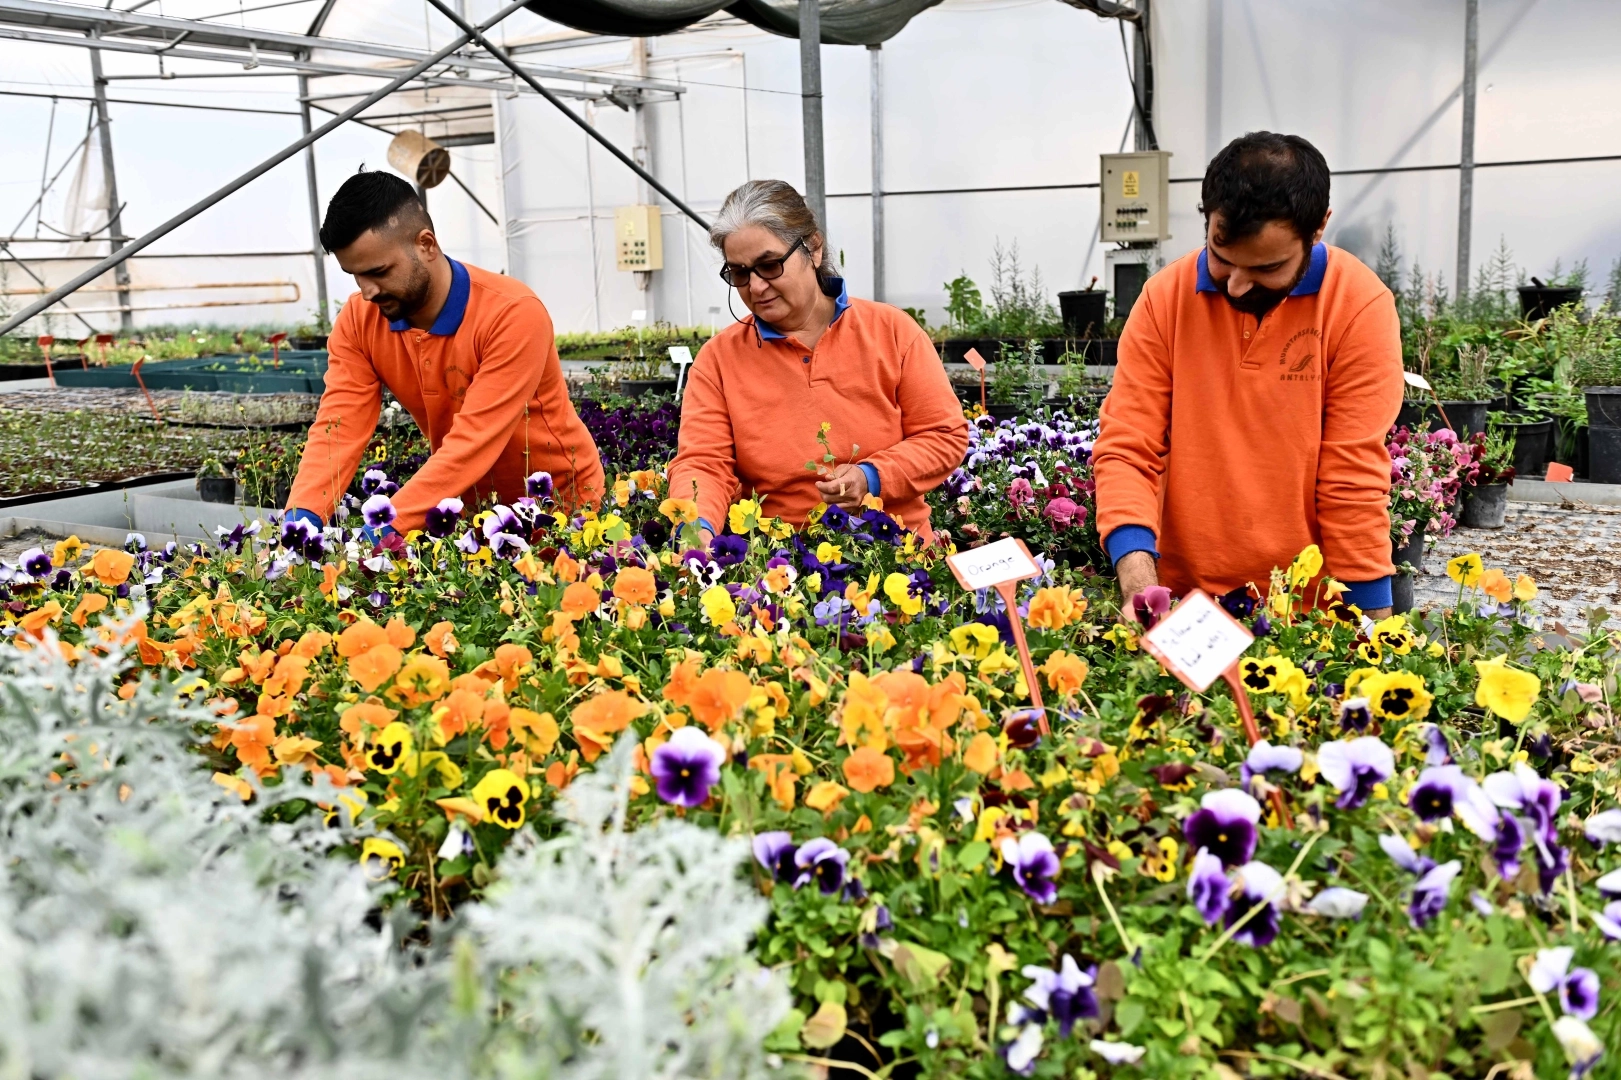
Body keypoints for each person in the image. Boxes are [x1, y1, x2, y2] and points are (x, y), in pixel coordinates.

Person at [1092, 132, 1402, 620]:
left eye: (1267, 268)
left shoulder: (1357, 306)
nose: (1236, 285)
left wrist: (1373, 628)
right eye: (1221, 257)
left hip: (1304, 610)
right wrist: (1139, 586)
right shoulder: (1165, 299)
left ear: (1318, 228)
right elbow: (1129, 447)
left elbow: (1353, 477)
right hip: (1181, 602)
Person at [285, 171, 603, 536]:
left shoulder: (513, 314)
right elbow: (338, 425)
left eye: (379, 272)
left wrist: (385, 528)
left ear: (426, 244)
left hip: (557, 508)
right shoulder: (360, 320)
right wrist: (301, 518)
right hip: (464, 512)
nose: (367, 291)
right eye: (355, 275)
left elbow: (474, 440)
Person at [669, 180, 968, 543]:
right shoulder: (718, 360)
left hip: (896, 551)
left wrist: (871, 477)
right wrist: (695, 531)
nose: (756, 287)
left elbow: (943, 435)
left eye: (769, 265)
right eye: (740, 273)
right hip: (780, 560)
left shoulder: (892, 332)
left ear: (813, 248)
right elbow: (703, 464)